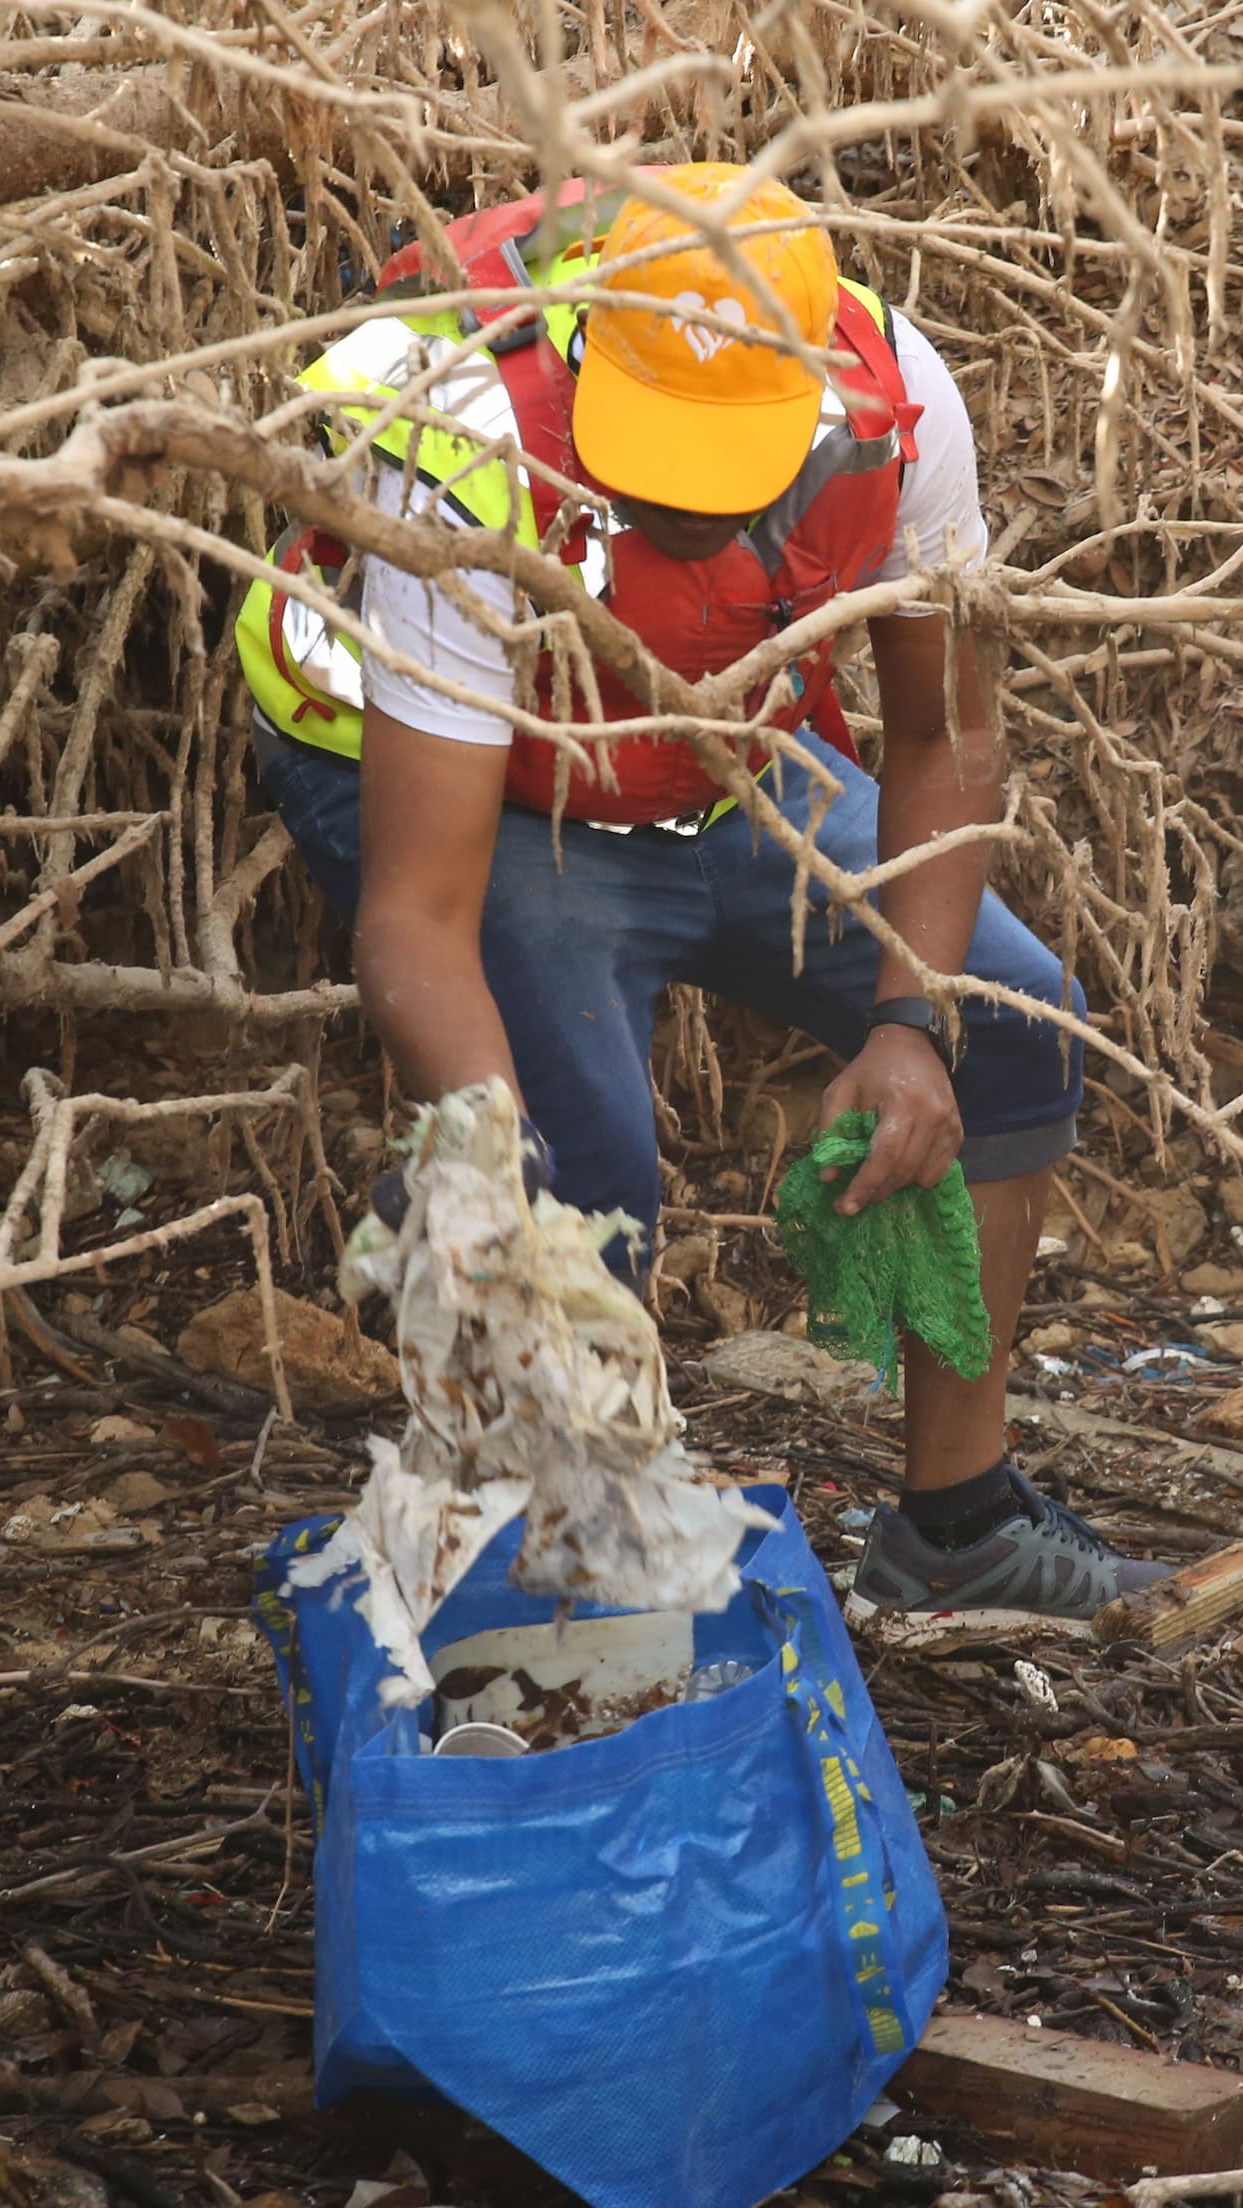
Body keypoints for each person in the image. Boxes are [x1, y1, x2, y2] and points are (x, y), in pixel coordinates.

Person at [236, 161, 1161, 1617]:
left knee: (1016, 1014)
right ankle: (567, 1578)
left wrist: (912, 1025)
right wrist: (485, 1155)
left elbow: (946, 733)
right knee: (570, 1181)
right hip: (451, 765)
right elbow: (416, 911)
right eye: (653, 466)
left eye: (721, 479)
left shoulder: (896, 402)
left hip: (698, 737)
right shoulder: (472, 437)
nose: (681, 508)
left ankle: (958, 1525)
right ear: (602, 363)